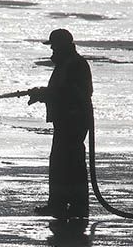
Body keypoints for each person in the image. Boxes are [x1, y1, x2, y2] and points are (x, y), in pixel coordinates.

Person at [21, 28, 94, 220]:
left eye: (54, 45)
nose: (52, 49)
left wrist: (43, 94)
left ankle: (74, 206)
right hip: (67, 120)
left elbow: (69, 93)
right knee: (62, 163)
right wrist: (41, 94)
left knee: (70, 163)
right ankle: (60, 204)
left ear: (62, 46)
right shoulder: (67, 64)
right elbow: (61, 91)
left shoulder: (75, 65)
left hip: (73, 120)